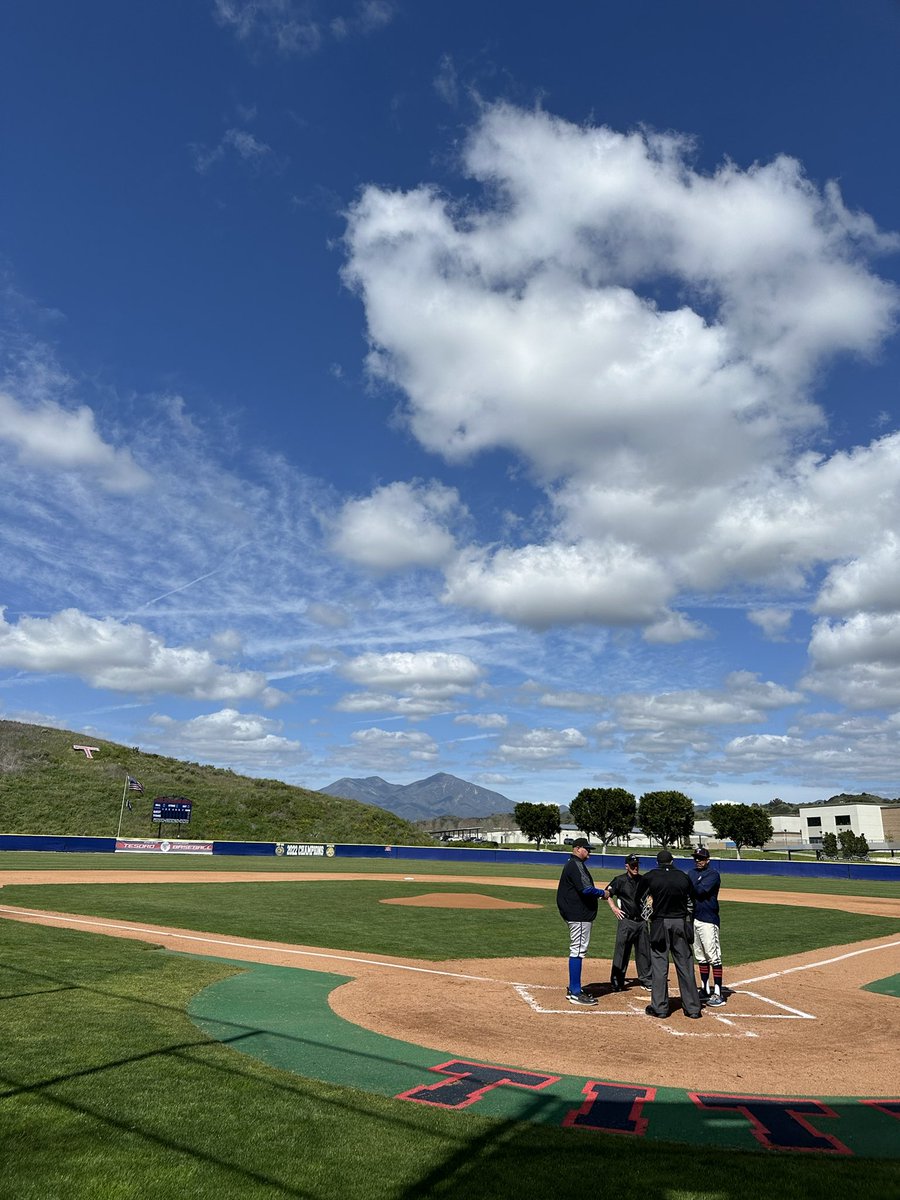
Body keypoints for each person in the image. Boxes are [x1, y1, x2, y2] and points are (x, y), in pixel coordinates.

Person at [639, 849, 702, 1020]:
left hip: (659, 923)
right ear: (672, 861)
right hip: (680, 922)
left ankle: (659, 1007)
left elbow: (640, 899)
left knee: (659, 965)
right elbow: (692, 901)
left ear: (657, 862)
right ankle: (693, 1008)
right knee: (685, 964)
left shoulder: (650, 876)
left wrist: (649, 914)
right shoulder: (683, 876)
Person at [556, 837, 607, 1005]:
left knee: (578, 949)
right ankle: (576, 992)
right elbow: (585, 889)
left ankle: (574, 988)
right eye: (587, 849)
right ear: (577, 848)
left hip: (577, 914)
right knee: (577, 950)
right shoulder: (575, 865)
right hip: (578, 914)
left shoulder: (574, 864)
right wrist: (603, 893)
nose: (589, 854)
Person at [605, 853, 651, 991]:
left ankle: (646, 980)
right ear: (627, 866)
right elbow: (607, 893)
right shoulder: (619, 880)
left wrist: (651, 900)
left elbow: (651, 894)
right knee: (622, 952)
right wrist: (614, 908)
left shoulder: (644, 880)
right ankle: (617, 982)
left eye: (637, 865)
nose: (635, 867)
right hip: (626, 921)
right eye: (632, 865)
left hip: (642, 922)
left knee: (644, 952)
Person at [688, 846, 725, 1006]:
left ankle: (718, 992)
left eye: (701, 858)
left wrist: (687, 886)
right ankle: (704, 989)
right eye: (696, 858)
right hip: (694, 918)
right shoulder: (691, 873)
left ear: (707, 860)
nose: (698, 861)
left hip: (708, 919)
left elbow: (700, 891)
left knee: (713, 956)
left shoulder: (713, 874)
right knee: (700, 956)